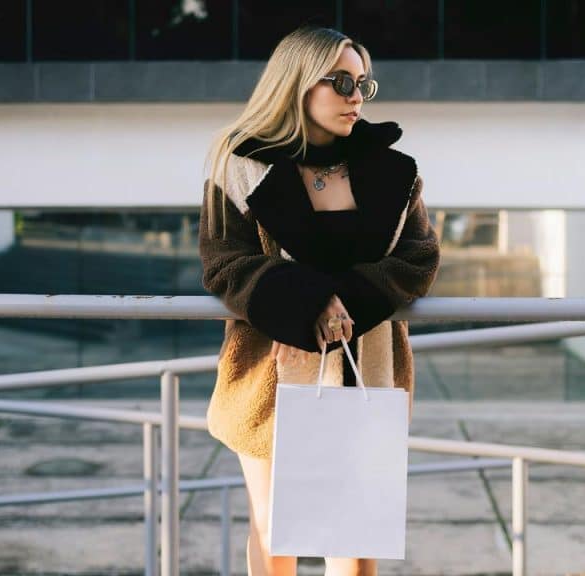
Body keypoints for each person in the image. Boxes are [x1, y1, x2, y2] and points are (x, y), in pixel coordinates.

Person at [198, 25, 441, 576]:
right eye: (339, 81)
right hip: (268, 374)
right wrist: (309, 300)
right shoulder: (240, 166)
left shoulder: (395, 172)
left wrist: (344, 301)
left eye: (362, 83)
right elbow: (224, 263)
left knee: (355, 542)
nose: (356, 95)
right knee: (273, 531)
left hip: (367, 369)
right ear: (297, 84)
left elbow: (418, 258)